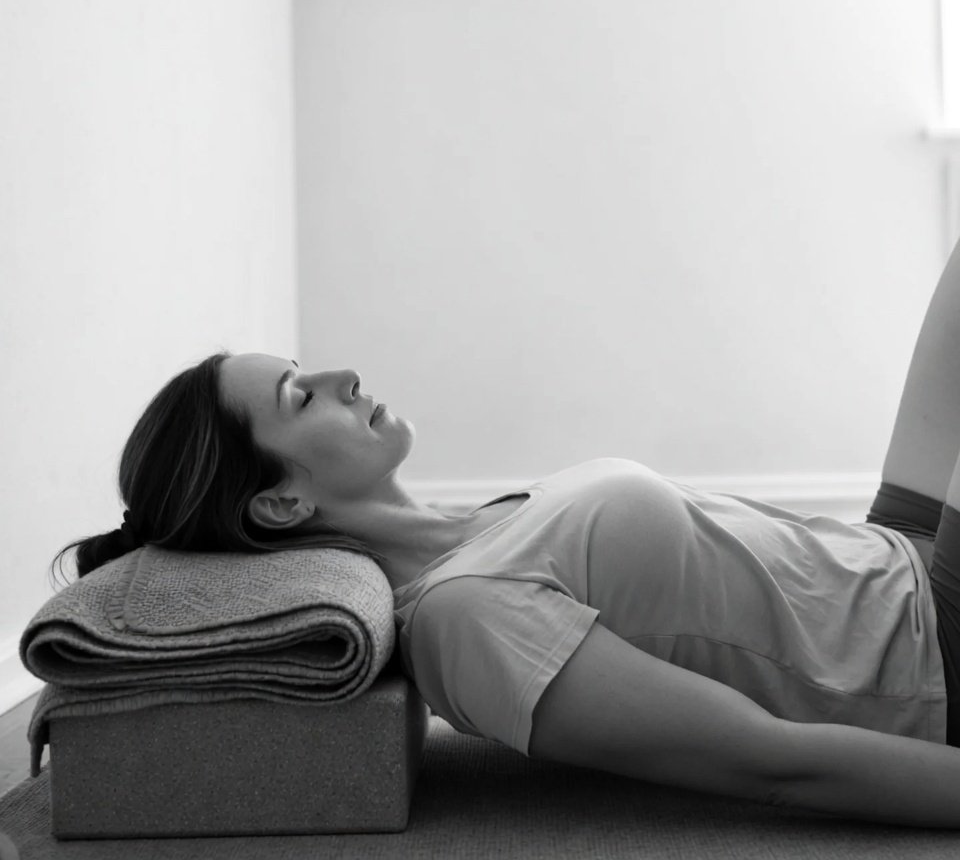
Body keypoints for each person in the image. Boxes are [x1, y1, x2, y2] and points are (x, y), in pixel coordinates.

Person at [51, 235, 960, 829]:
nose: (341, 373)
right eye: (301, 395)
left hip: (889, 551)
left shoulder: (477, 528)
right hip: (929, 651)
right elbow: (773, 764)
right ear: (281, 503)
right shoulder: (462, 621)